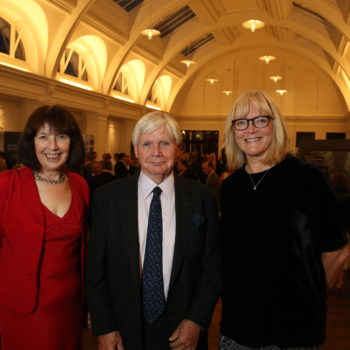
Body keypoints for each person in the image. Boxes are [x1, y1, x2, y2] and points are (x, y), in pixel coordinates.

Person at [219, 90, 349, 350]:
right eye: (241, 122)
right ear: (233, 131)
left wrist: (309, 296)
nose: (250, 129)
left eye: (260, 120)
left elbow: (337, 251)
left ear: (275, 125)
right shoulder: (231, 186)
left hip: (293, 331)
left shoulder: (307, 179)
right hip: (237, 328)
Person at [86, 111, 222, 350]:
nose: (156, 152)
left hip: (183, 331)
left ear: (178, 149)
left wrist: (196, 320)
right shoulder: (108, 198)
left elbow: (212, 266)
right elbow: (96, 268)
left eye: (165, 143)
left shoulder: (202, 198)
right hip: (123, 331)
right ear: (136, 151)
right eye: (147, 144)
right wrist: (105, 326)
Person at [0, 105, 89, 349]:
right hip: (20, 311)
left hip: (69, 309)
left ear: (72, 142)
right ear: (31, 142)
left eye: (61, 136)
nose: (53, 146)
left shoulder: (80, 185)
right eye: (43, 137)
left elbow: (85, 250)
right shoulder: (6, 185)